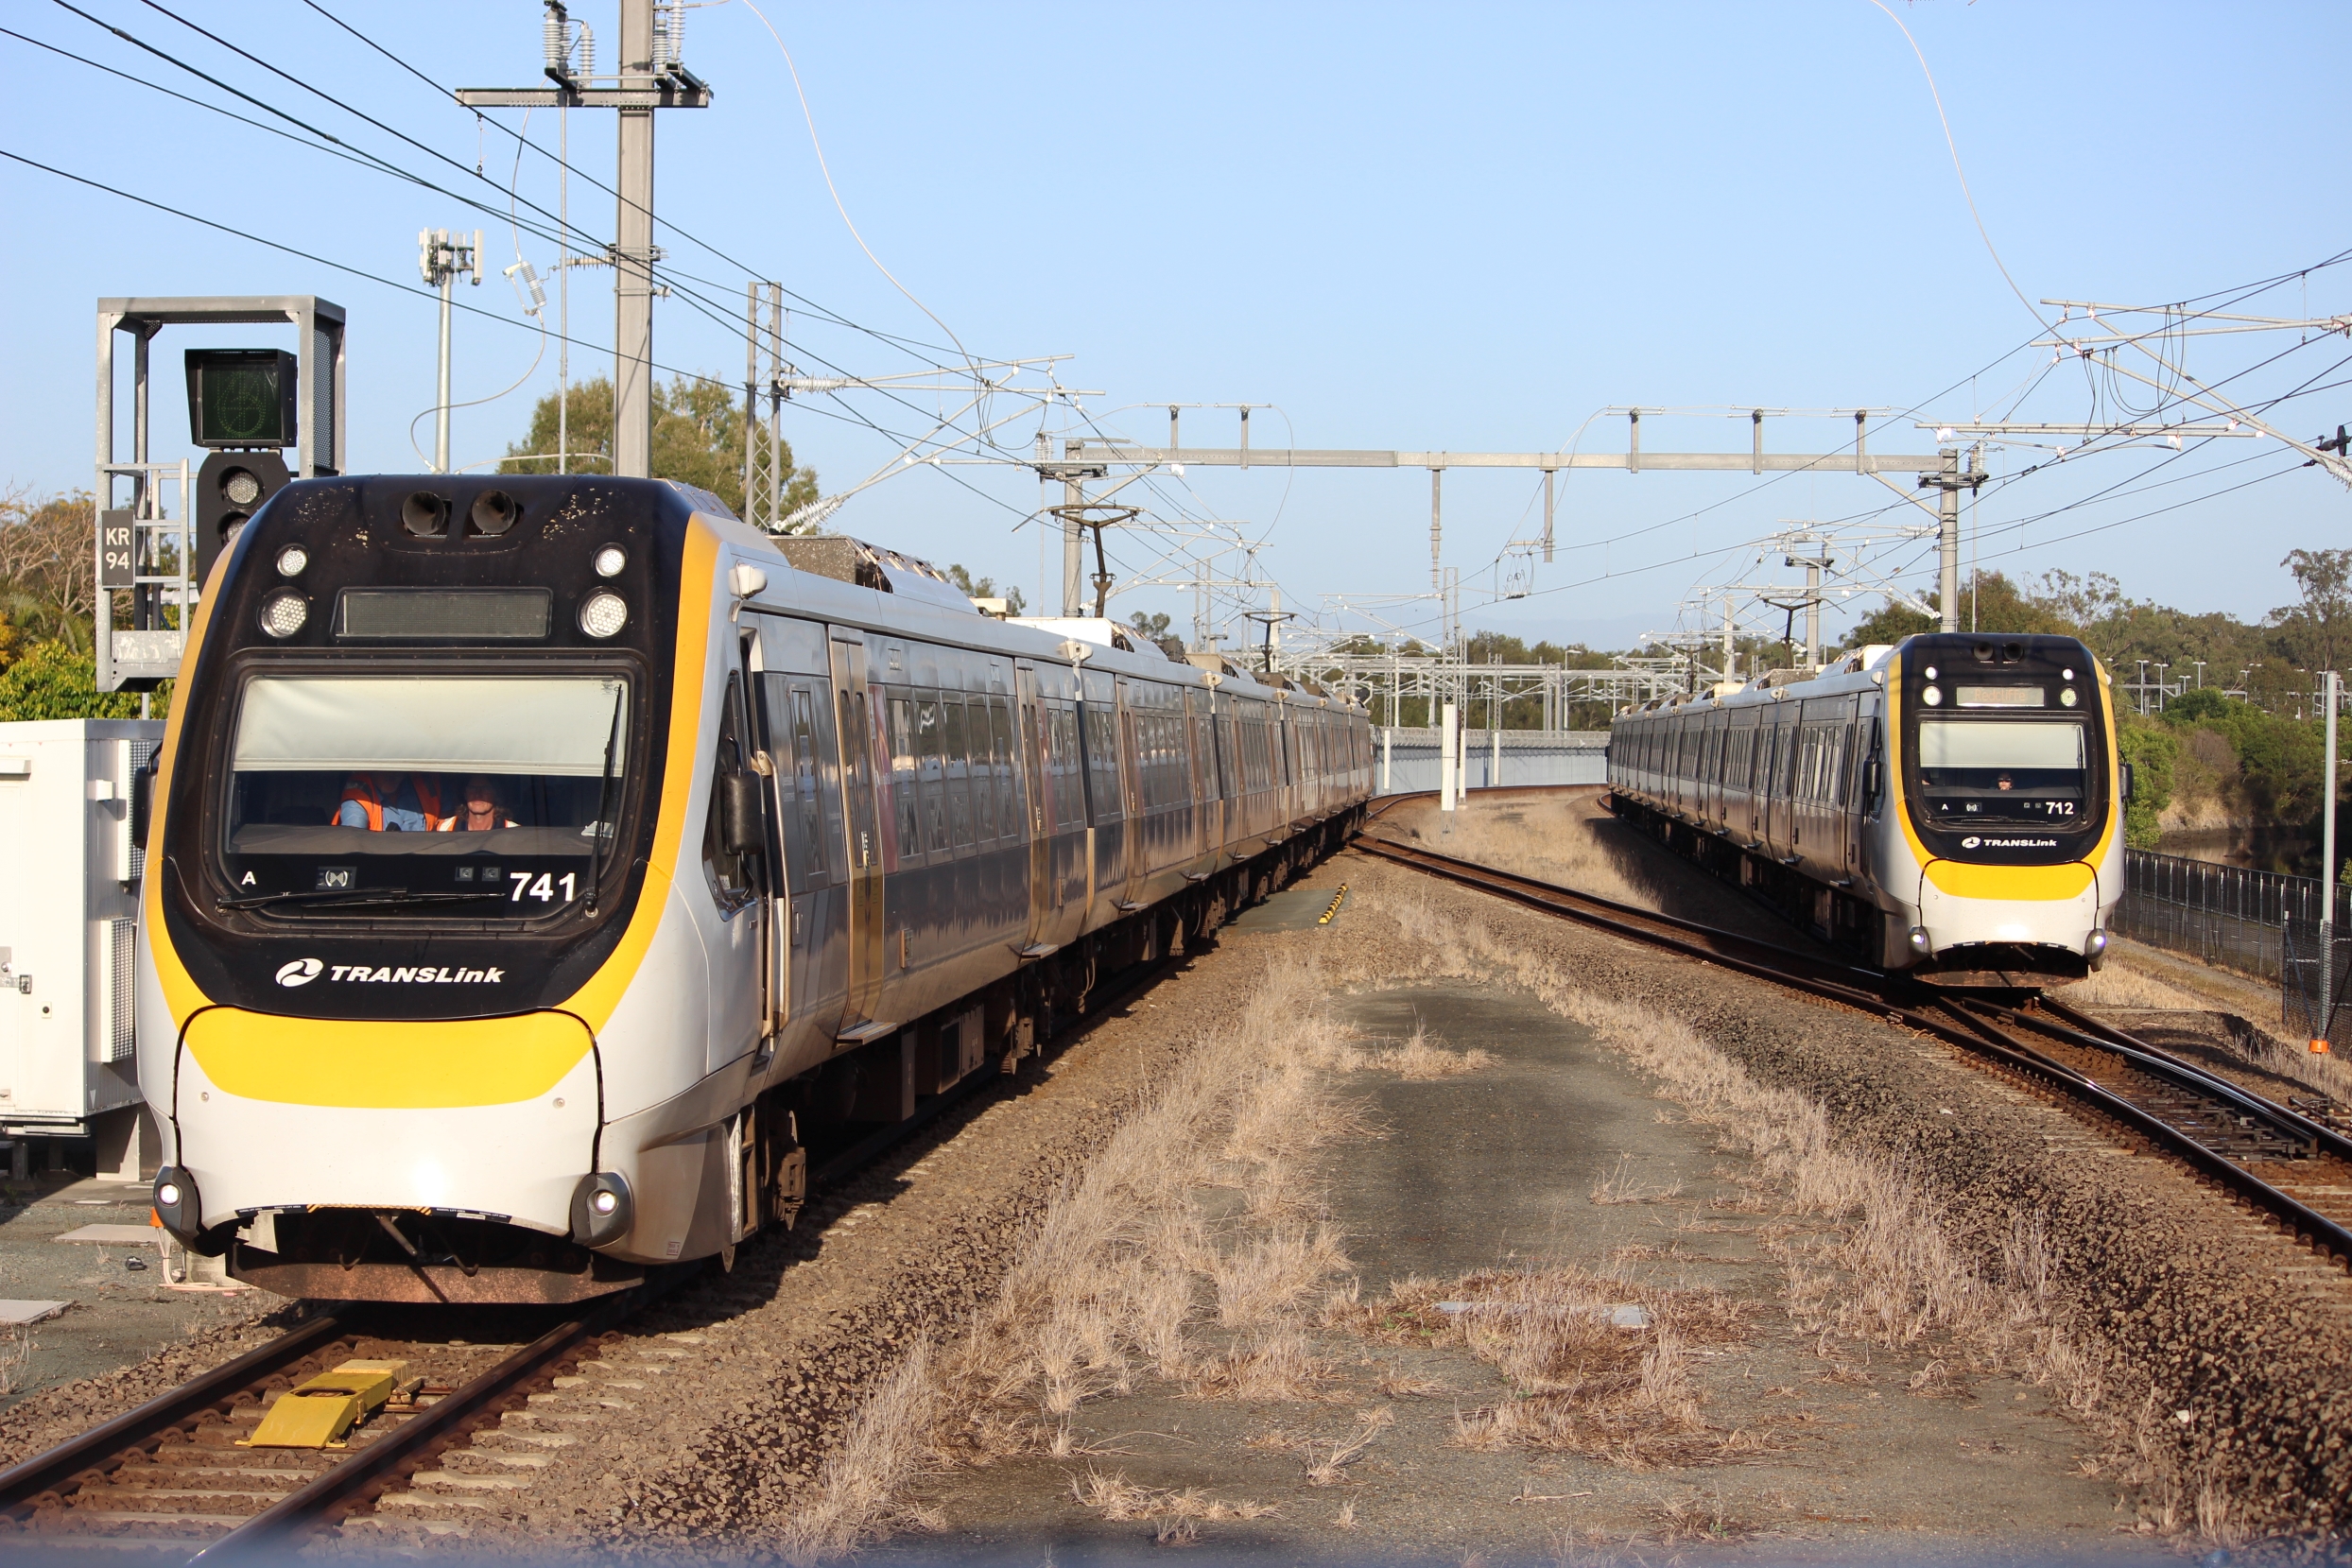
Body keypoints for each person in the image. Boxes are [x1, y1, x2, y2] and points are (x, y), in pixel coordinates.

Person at [335, 773, 443, 832]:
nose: (390, 775)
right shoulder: (358, 795)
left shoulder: (426, 784)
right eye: (384, 770)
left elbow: (448, 824)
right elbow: (353, 841)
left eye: (396, 770)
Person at [438, 774, 518, 832]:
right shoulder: (443, 829)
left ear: (497, 794)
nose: (478, 794)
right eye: (472, 788)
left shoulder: (514, 832)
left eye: (485, 789)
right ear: (465, 793)